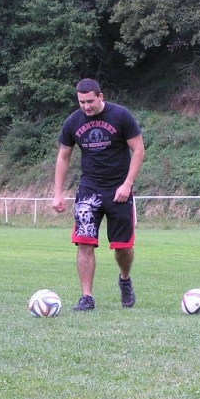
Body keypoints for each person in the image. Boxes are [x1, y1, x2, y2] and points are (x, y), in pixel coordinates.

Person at [52, 79, 145, 311]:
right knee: (84, 243)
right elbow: (63, 156)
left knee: (123, 247)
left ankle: (125, 279)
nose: (86, 106)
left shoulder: (120, 115)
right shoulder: (73, 122)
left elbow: (138, 149)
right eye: (82, 102)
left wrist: (127, 184)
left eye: (90, 101)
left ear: (100, 96)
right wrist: (57, 193)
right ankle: (87, 297)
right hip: (89, 189)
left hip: (118, 189)